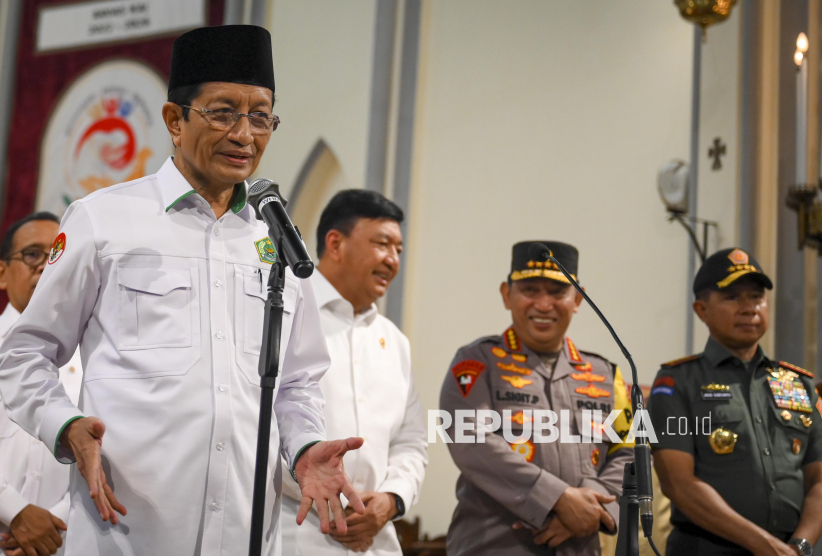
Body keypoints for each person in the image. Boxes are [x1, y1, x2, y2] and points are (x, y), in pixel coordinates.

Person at [0, 26, 365, 556]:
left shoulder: (273, 235)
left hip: (244, 533)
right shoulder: (103, 221)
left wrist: (304, 447)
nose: (245, 134)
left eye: (261, 116)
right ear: (174, 120)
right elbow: (25, 352)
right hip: (125, 533)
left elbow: (298, 378)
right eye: (223, 112)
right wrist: (67, 426)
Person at [439, 241, 634, 556]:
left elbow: (630, 451)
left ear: (578, 299)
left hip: (580, 545)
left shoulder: (606, 374)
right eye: (530, 290)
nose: (544, 305)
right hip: (494, 545)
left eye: (558, 292)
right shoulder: (476, 361)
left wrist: (593, 506)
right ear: (507, 294)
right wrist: (557, 498)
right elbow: (471, 441)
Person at [280, 190, 428, 555]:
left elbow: (411, 443)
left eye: (398, 250)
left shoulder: (394, 341)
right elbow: (254, 421)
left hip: (374, 541)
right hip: (293, 532)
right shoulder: (281, 312)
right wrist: (324, 491)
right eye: (382, 244)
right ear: (335, 243)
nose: (392, 260)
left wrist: (392, 500)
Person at [648, 248, 822, 556]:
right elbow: (678, 484)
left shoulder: (799, 384)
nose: (749, 308)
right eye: (732, 298)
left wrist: (800, 546)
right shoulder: (676, 383)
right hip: (707, 548)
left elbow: (819, 480)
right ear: (701, 310)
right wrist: (764, 546)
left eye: (756, 297)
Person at [0, 213, 82, 556]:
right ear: (1, 273)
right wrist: (13, 512)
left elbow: (113, 452)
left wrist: (58, 521)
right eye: (32, 255)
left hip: (63, 542)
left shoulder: (97, 356)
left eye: (58, 255)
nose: (46, 267)